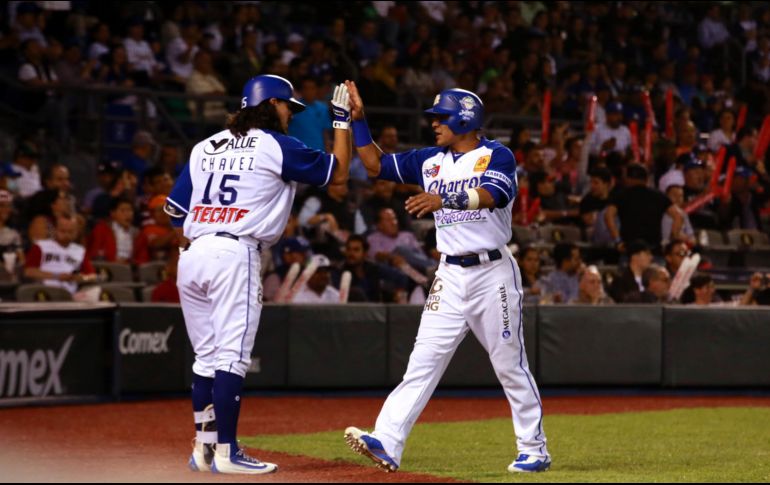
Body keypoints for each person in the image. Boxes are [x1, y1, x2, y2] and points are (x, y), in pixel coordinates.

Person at [342, 83, 550, 473]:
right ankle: (387, 440)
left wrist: (445, 199)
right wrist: (359, 123)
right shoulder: (429, 160)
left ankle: (534, 448)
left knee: (508, 362)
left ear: (465, 118)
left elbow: (494, 195)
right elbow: (375, 165)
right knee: (423, 361)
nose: (435, 124)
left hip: (493, 273)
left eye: (442, 117)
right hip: (450, 274)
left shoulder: (496, 154)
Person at [164, 74, 351, 475]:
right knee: (231, 357)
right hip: (235, 250)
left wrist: (198, 244)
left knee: (206, 359)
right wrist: (341, 121)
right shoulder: (276, 144)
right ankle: (228, 453)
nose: (290, 113)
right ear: (271, 105)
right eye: (287, 106)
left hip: (194, 252)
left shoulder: (205, 146)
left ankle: (204, 449)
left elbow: (175, 214)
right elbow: (337, 174)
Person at [23, 215, 95, 294]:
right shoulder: (41, 246)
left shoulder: (80, 251)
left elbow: (91, 276)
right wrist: (57, 276)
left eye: (70, 231)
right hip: (44, 290)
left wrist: (79, 278)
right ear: (55, 230)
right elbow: (29, 272)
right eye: (63, 231)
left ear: (76, 232)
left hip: (70, 293)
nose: (66, 234)